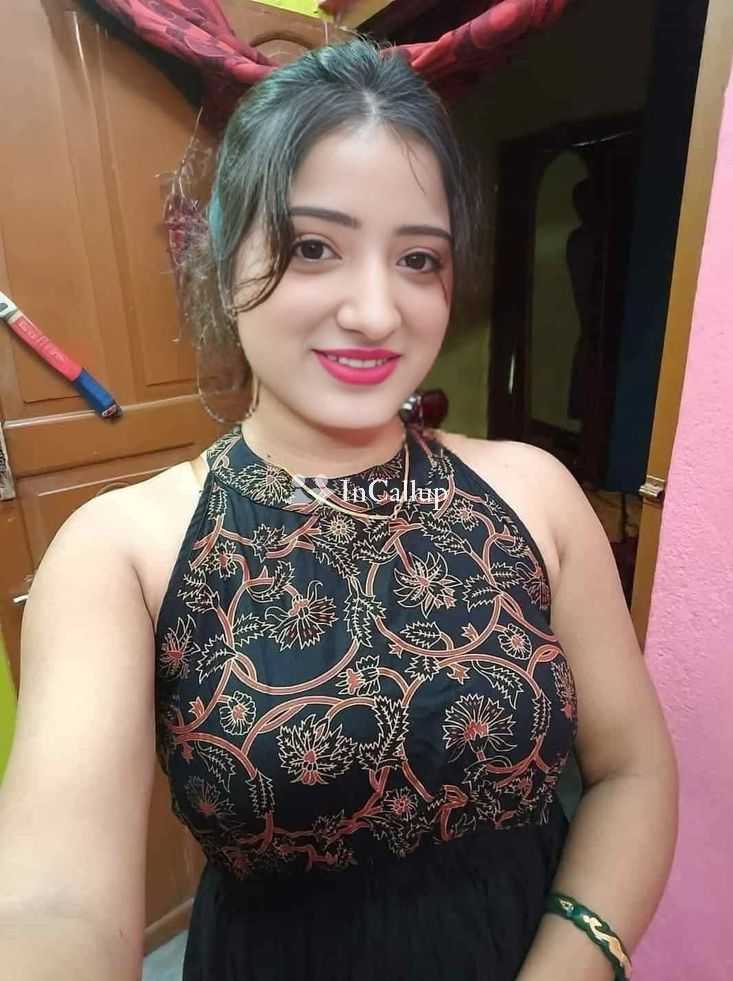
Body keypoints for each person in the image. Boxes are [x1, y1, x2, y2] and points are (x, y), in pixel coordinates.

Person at [0, 38, 677, 981]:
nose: (376, 312)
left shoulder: (536, 492)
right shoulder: (123, 551)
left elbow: (634, 771)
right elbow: (51, 903)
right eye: (313, 247)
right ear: (224, 260)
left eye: (418, 258)